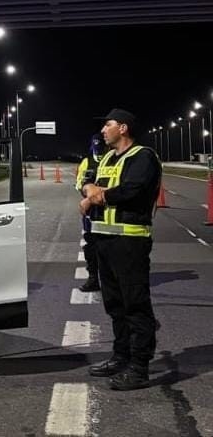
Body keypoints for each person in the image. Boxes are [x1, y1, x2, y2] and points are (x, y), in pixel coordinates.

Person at [80, 108, 161, 391]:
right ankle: (121, 356)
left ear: (123, 128)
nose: (103, 130)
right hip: (103, 240)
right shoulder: (106, 159)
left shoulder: (143, 156)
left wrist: (97, 196)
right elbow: (89, 185)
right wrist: (90, 190)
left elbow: (131, 190)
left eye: (108, 125)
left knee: (135, 304)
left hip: (130, 241)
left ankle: (139, 368)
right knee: (115, 305)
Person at [75, 135, 105, 291]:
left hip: (110, 209)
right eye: (96, 148)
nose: (99, 152)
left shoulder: (113, 159)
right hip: (91, 211)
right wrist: (88, 190)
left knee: (112, 246)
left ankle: (112, 279)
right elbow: (79, 183)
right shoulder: (87, 162)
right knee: (90, 245)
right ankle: (93, 278)